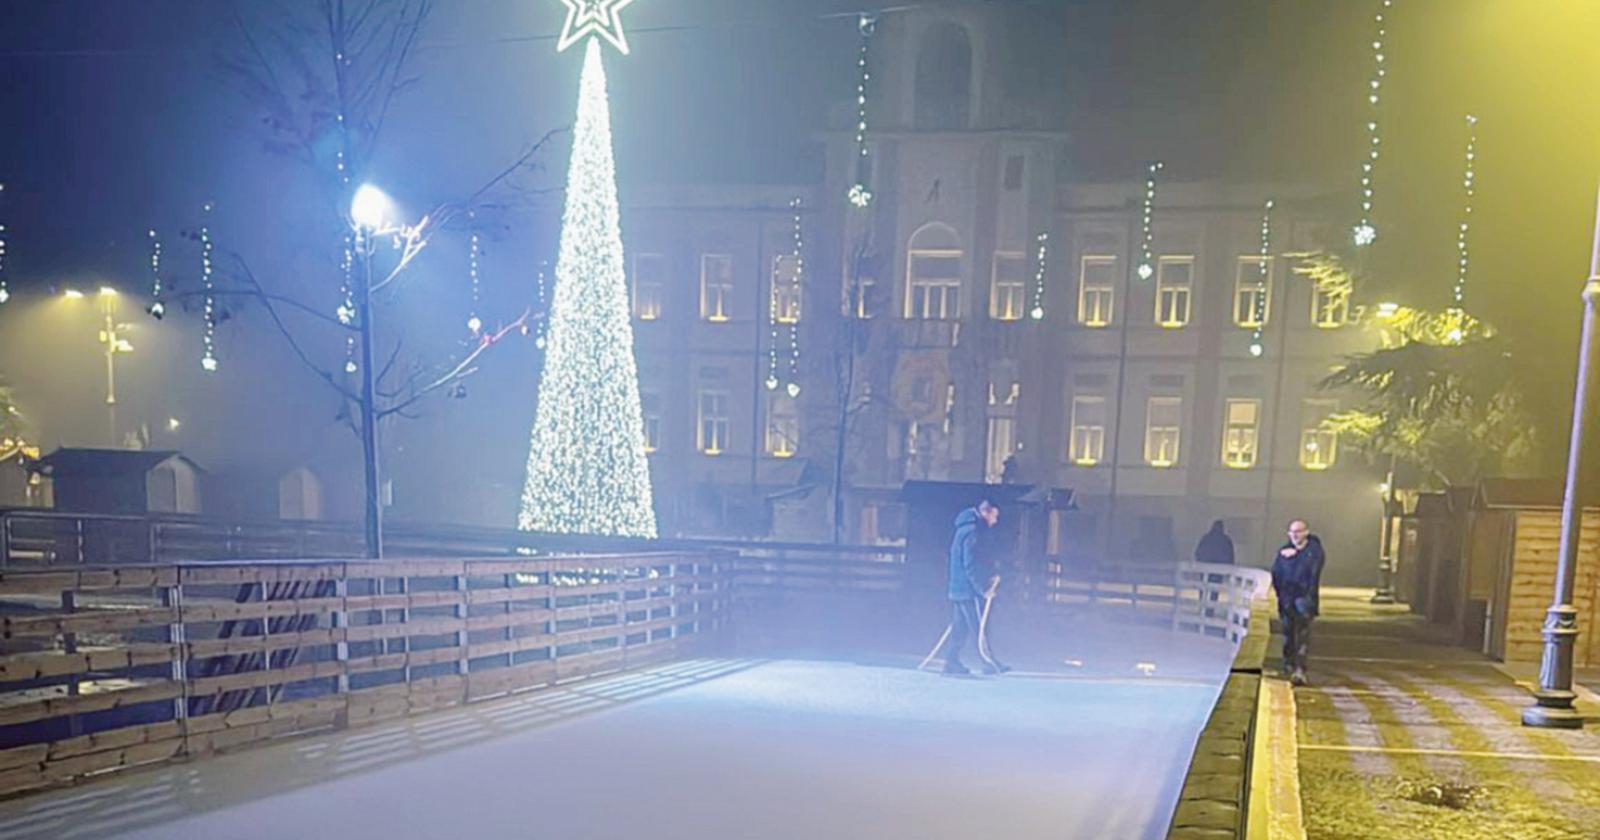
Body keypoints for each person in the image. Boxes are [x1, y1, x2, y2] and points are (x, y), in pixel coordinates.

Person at [938, 499, 1008, 675]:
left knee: (960, 628)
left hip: (959, 588)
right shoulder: (972, 532)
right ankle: (989, 663)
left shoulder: (964, 529)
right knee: (979, 627)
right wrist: (982, 589)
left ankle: (951, 662)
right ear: (985, 512)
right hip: (967, 590)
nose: (995, 520)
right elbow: (970, 564)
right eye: (994, 516)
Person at [1271, 519, 1325, 686]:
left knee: (1302, 633)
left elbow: (1313, 571)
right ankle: (1288, 664)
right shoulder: (1283, 552)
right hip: (1286, 599)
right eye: (1292, 532)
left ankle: (1299, 667)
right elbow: (1276, 574)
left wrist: (1296, 557)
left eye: (1298, 531)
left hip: (1304, 599)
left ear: (1306, 533)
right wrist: (1281, 594)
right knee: (1287, 633)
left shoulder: (1314, 552)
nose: (1295, 535)